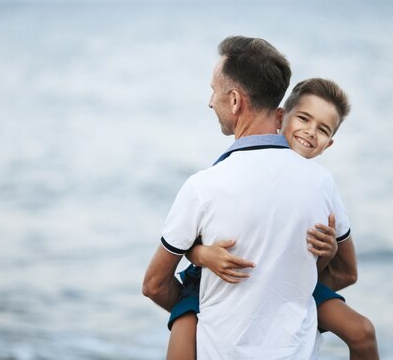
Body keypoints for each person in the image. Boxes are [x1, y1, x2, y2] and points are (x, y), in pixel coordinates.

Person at [143, 36, 350, 360]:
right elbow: (345, 273)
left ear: (235, 100)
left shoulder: (203, 187)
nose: (211, 102)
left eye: (214, 91)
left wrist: (200, 312)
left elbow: (155, 285)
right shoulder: (322, 183)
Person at [168, 78, 379, 360]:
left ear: (329, 144)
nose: (310, 132)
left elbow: (346, 272)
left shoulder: (320, 185)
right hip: (218, 280)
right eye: (304, 118)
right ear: (280, 118)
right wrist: (202, 254)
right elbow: (188, 240)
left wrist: (328, 254)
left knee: (362, 331)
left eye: (323, 129)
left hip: (291, 284)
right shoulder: (235, 170)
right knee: (183, 339)